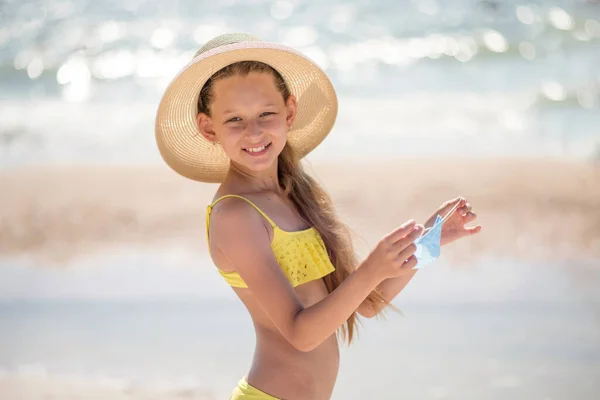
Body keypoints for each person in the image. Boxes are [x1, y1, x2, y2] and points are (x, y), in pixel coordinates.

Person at [155, 32, 482, 400]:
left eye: (266, 114)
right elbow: (301, 333)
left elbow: (368, 303)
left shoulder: (295, 194)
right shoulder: (236, 215)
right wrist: (371, 267)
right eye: (235, 120)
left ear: (289, 112)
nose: (255, 131)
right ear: (208, 127)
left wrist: (429, 239)